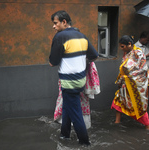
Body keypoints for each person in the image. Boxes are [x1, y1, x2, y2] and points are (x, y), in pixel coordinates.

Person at [49, 10, 98, 145]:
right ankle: (65, 134)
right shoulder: (82, 36)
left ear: (64, 22)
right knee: (67, 106)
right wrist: (80, 61)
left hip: (68, 82)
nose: (54, 26)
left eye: (55, 23)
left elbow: (52, 62)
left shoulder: (60, 37)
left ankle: (85, 143)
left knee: (76, 113)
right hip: (80, 80)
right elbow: (94, 56)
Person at [111, 35, 149, 130]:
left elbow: (143, 69)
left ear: (129, 44)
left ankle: (147, 126)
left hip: (135, 84)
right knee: (119, 100)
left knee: (139, 105)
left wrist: (127, 75)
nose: (121, 49)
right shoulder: (127, 53)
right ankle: (117, 121)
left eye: (122, 46)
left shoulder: (138, 53)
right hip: (125, 83)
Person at [54, 62, 100, 129]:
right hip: (79, 78)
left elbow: (53, 62)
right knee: (77, 102)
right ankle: (81, 126)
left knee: (67, 101)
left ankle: (69, 127)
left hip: (72, 78)